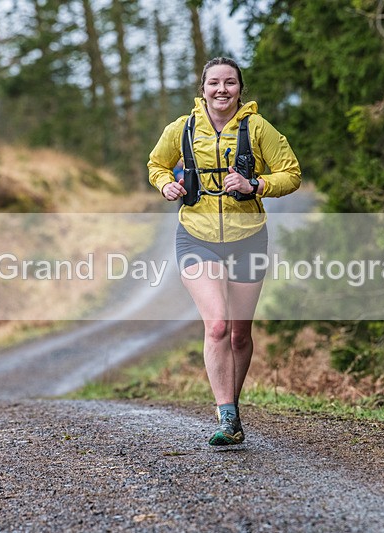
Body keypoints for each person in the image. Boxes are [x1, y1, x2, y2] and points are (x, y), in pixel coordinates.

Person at [147, 57, 301, 446]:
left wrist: (257, 185)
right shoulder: (181, 128)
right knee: (217, 324)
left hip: (248, 237)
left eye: (229, 83)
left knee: (238, 335)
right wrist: (166, 183)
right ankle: (227, 415)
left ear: (239, 89)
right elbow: (156, 164)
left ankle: (232, 403)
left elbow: (292, 173)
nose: (221, 90)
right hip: (196, 236)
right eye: (214, 83)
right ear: (202, 89)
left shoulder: (258, 128)